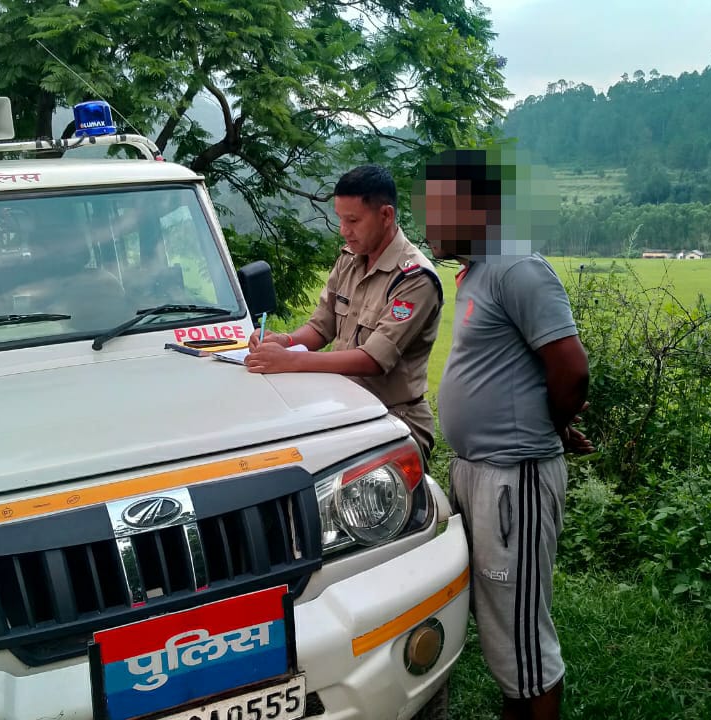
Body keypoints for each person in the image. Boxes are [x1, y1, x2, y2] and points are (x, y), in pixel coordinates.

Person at [422, 149, 593, 720]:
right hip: (480, 472)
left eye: (440, 208)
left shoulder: (517, 266)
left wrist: (552, 427)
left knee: (522, 642)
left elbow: (571, 368)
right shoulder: (479, 271)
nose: (429, 222)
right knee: (501, 627)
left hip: (512, 480)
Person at [245, 165, 443, 462]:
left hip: (393, 418)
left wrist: (291, 360)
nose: (344, 230)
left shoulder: (414, 278)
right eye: (340, 219)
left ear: (386, 215)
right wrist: (285, 341)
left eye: (353, 220)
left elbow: (373, 359)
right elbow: (321, 326)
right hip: (343, 407)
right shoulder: (350, 259)